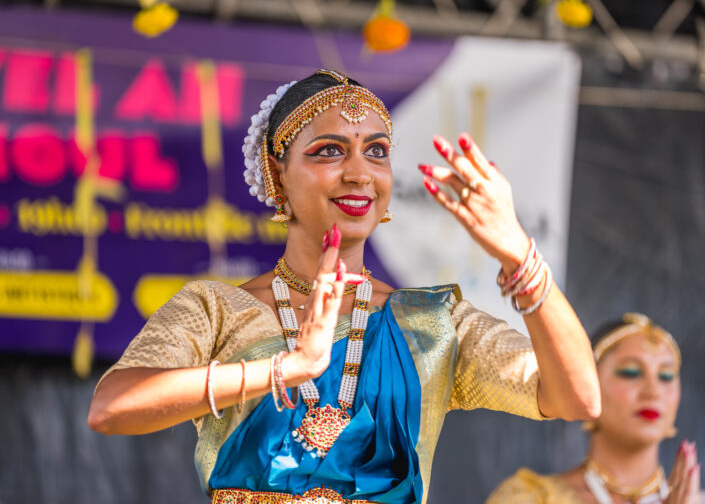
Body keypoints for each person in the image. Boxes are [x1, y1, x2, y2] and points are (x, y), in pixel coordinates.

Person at [88, 69, 600, 504]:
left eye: (376, 151)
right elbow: (111, 408)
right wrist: (286, 369)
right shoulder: (217, 308)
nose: (360, 173)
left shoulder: (431, 324)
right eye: (330, 150)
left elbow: (577, 399)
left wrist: (521, 257)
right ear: (277, 174)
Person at [486, 313, 701, 504]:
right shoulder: (532, 498)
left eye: (666, 376)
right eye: (630, 372)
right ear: (589, 386)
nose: (653, 392)